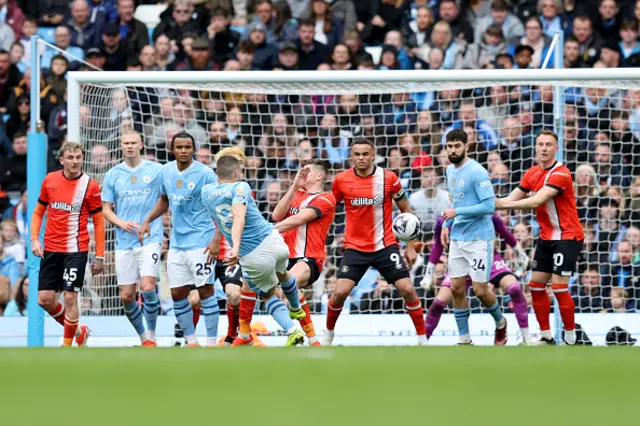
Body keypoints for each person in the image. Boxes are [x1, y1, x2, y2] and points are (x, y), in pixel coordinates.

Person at [325, 138, 426, 346]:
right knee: (339, 293)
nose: (361, 158)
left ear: (373, 155)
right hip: (354, 248)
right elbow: (330, 209)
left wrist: (409, 245)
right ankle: (328, 334)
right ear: (351, 156)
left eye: (365, 154)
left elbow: (406, 209)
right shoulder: (341, 180)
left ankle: (422, 338)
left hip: (385, 245)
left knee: (407, 289)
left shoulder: (388, 178)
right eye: (357, 154)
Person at [201, 155, 306, 346]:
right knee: (283, 273)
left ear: (217, 173)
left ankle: (292, 331)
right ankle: (296, 307)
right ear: (236, 172)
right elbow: (239, 215)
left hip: (254, 254)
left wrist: (235, 248)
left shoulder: (206, 192)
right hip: (275, 240)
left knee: (267, 295)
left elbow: (236, 217)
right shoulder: (242, 186)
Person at [496, 130, 585, 345]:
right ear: (535, 147)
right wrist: (493, 201)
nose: (544, 148)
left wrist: (503, 204)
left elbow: (537, 201)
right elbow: (511, 198)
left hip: (568, 237)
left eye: (548, 144)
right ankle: (546, 336)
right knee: (535, 285)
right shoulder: (532, 173)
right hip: (546, 238)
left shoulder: (561, 174)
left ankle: (571, 338)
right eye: (541, 144)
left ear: (556, 148)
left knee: (558, 286)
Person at [138, 132, 218, 347]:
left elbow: (219, 207)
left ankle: (211, 343)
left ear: (194, 150)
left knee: (205, 291)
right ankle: (192, 341)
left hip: (201, 241)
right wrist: (147, 220)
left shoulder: (206, 174)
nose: (183, 151)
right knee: (177, 293)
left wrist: (217, 238)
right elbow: (164, 199)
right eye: (179, 147)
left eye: (188, 147)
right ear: (173, 150)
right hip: (177, 242)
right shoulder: (165, 172)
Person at [30, 141, 105, 347]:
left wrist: (99, 255)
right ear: (62, 160)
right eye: (70, 158)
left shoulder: (90, 186)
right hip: (50, 248)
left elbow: (99, 222)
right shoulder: (50, 180)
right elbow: (38, 212)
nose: (74, 161)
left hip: (75, 249)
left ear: (82, 158)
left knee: (70, 298)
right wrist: (35, 238)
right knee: (44, 299)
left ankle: (66, 346)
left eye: (78, 157)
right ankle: (79, 332)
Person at [440, 128, 507, 345]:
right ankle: (464, 340)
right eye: (449, 146)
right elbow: (457, 203)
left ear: (466, 147)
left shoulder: (477, 171)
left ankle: (500, 323)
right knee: (456, 288)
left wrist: (456, 213)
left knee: (479, 290)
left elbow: (489, 206)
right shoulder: (450, 171)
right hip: (458, 237)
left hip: (479, 238)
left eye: (457, 146)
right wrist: (447, 224)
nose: (452, 150)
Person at [422, 215, 532, 344]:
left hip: (489, 259)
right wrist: (428, 274)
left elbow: (505, 232)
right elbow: (438, 245)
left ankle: (524, 337)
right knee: (438, 302)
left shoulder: (487, 212)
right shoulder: (445, 218)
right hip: (461, 262)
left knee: (514, 289)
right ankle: (423, 342)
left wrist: (521, 255)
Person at [102, 131, 163, 347]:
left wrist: (149, 219)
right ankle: (143, 337)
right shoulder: (113, 174)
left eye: (133, 143)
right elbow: (106, 209)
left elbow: (165, 199)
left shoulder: (156, 171)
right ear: (121, 146)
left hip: (151, 237)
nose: (129, 147)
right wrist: (121, 223)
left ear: (141, 144)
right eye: (126, 143)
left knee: (147, 287)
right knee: (127, 296)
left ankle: (153, 336)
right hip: (124, 241)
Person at [272, 159, 336, 346]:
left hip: (309, 258)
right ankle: (312, 339)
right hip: (285, 256)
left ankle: (299, 330)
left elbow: (299, 219)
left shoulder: (326, 199)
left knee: (289, 282)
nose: (301, 174)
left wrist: (268, 231)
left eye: (305, 172)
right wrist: (293, 187)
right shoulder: (297, 193)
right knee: (268, 290)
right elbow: (277, 214)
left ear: (319, 176)